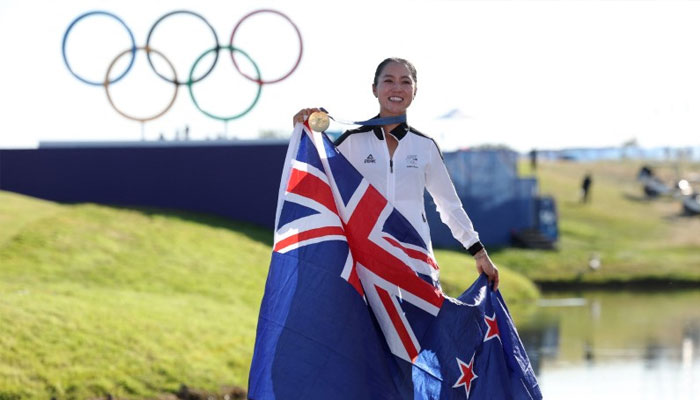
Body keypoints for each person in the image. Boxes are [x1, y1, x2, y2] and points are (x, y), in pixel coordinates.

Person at [292, 57, 499, 290]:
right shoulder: (351, 142)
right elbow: (314, 182)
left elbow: (449, 206)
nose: (397, 88)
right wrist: (305, 131)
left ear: (415, 90)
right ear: (374, 89)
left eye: (405, 82)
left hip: (416, 262)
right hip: (366, 264)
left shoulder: (425, 146)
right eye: (388, 80)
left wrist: (478, 252)